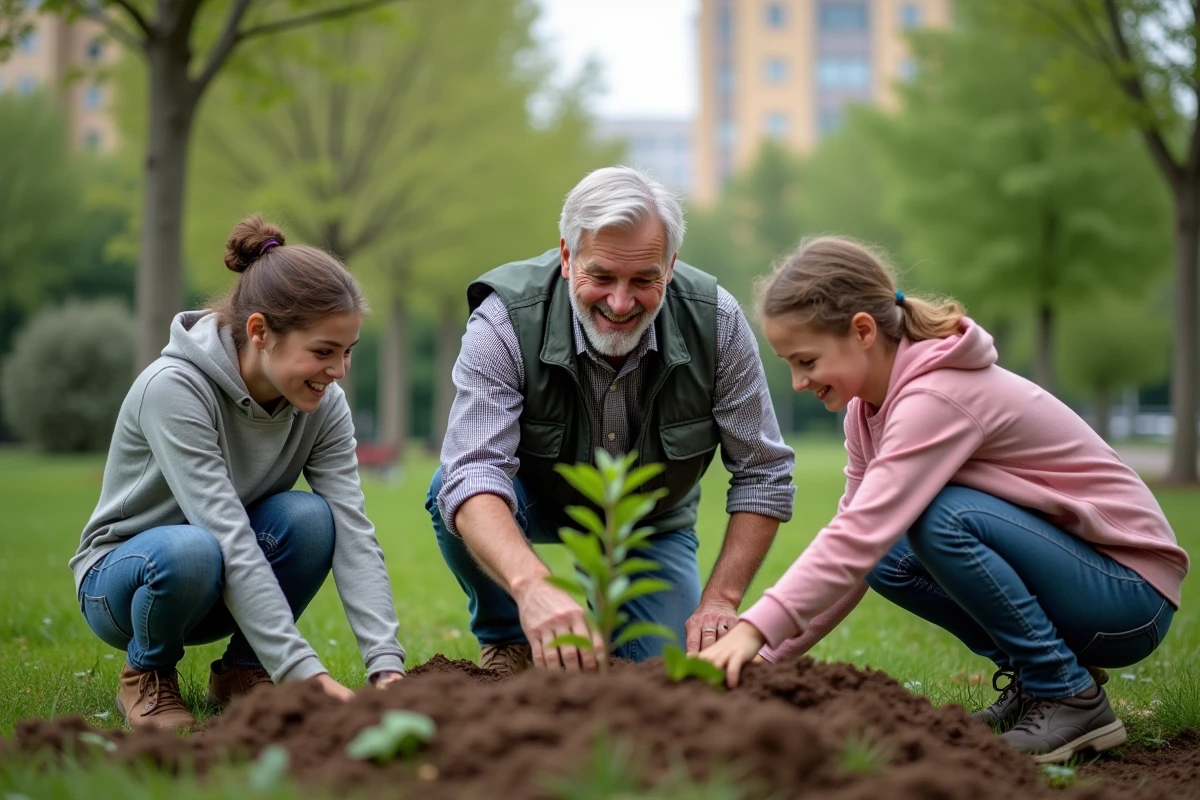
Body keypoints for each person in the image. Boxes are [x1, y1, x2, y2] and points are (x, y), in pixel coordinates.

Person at [699, 236, 1189, 765]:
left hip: (1129, 594)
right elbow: (856, 549)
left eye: (807, 360)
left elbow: (862, 531)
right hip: (1088, 584)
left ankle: (1066, 693)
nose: (797, 382)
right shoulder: (868, 412)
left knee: (935, 517)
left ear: (863, 331)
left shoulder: (936, 395)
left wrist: (753, 628)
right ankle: (1042, 680)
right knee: (888, 557)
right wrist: (767, 657)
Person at [427, 166, 795, 676]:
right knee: (449, 484)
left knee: (663, 668)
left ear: (670, 267)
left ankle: (605, 625)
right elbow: (473, 472)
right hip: (533, 499)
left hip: (650, 521)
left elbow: (763, 472)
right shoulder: (505, 319)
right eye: (600, 277)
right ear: (565, 256)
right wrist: (533, 587)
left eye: (644, 279)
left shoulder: (717, 321)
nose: (621, 303)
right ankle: (508, 637)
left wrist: (721, 601)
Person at [71, 215, 406, 731]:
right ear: (259, 332)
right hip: (126, 581)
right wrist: (301, 671)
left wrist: (386, 666)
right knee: (194, 547)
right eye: (322, 352)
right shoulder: (175, 388)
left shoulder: (324, 405)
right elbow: (224, 531)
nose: (338, 372)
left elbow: (354, 533)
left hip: (218, 574)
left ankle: (244, 673)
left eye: (347, 353)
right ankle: (148, 674)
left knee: (313, 518)